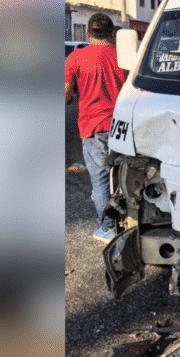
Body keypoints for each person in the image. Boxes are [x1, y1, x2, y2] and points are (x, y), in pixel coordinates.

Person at [65, 13, 128, 242]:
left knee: (100, 179)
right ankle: (130, 221)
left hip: (95, 127)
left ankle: (108, 228)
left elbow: (64, 95)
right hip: (125, 126)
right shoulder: (125, 56)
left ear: (88, 34)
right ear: (113, 34)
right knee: (126, 175)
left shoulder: (76, 58)